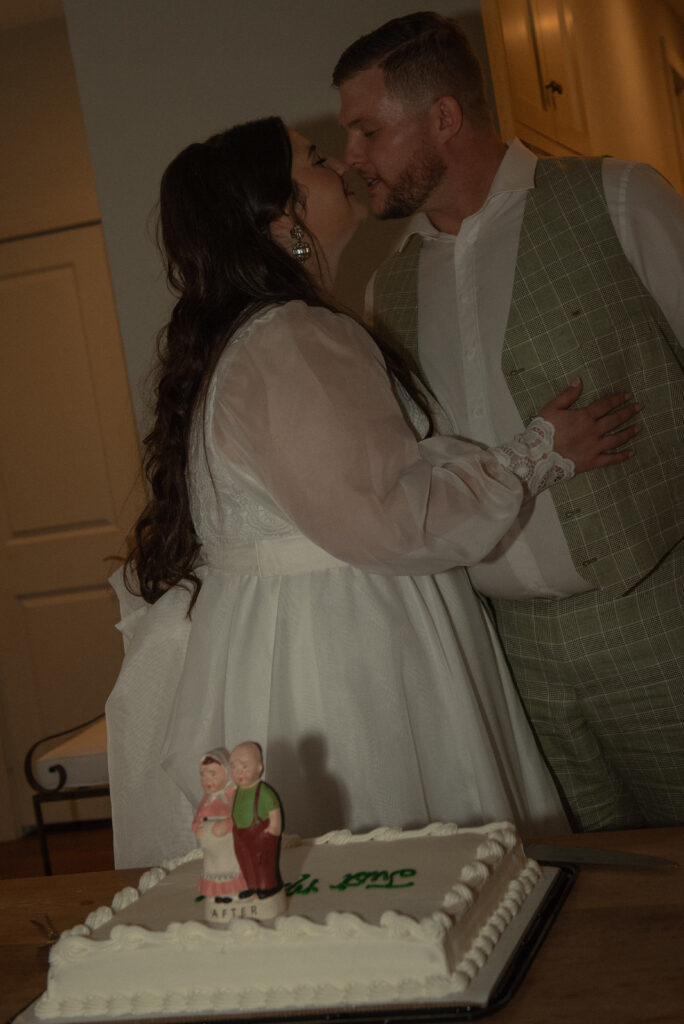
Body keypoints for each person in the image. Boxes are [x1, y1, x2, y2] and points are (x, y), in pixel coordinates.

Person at [106, 115, 640, 868]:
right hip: (346, 646)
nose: (342, 166)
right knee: (404, 866)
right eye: (317, 160)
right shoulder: (294, 337)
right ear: (282, 214)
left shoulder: (257, 336)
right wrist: (539, 453)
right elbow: (392, 520)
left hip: (295, 635)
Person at [333, 11, 684, 832]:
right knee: (579, 899)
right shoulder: (391, 285)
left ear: (444, 118)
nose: (352, 157)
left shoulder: (619, 196)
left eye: (367, 130)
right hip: (510, 656)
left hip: (658, 619)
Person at [229, 741, 283, 900]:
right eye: (234, 767)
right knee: (245, 862)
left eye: (244, 767)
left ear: (260, 767)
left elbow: (274, 810)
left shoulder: (264, 792)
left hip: (261, 833)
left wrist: (274, 828)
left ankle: (268, 887)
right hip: (240, 834)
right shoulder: (237, 792)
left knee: (262, 864)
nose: (239, 772)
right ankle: (252, 885)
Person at [192, 748, 246, 902]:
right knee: (214, 869)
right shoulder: (207, 799)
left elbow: (241, 816)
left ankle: (237, 889)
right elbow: (198, 817)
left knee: (232, 865)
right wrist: (197, 828)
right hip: (211, 847)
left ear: (227, 772)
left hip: (229, 842)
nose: (207, 779)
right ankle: (220, 893)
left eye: (213, 774)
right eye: (203, 774)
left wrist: (228, 825)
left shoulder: (234, 795)